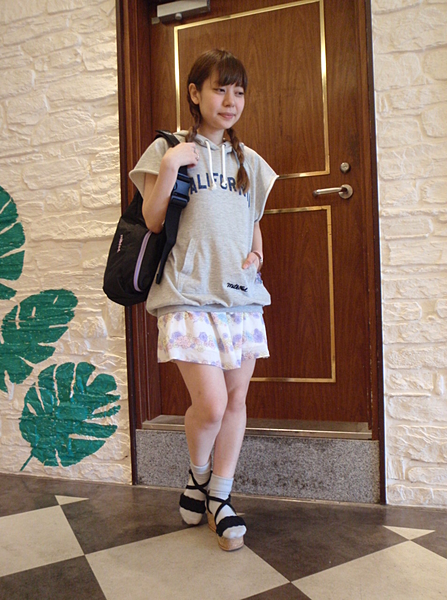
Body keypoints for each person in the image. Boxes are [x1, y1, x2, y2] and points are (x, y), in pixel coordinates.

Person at [129, 49, 277, 551]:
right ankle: (197, 474)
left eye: (239, 92)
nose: (231, 101)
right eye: (220, 89)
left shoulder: (249, 161)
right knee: (211, 405)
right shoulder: (168, 148)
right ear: (195, 93)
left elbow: (253, 221)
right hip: (187, 293)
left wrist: (257, 253)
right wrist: (172, 163)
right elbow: (152, 219)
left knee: (236, 401)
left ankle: (220, 494)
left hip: (240, 297)